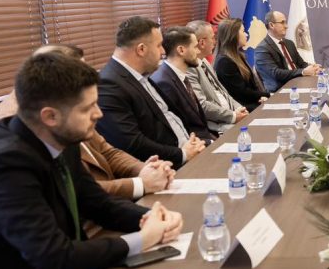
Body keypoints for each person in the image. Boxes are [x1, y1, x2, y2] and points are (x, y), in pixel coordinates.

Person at [0, 53, 183, 269]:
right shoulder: (2, 164)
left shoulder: (60, 138)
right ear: (50, 116)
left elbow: (98, 204)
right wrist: (142, 239)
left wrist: (149, 217)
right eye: (87, 108)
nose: (99, 114)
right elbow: (54, 259)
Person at [0, 44, 174, 200]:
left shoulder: (67, 108)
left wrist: (144, 170)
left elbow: (106, 151)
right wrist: (140, 184)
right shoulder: (17, 128)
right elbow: (72, 193)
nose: (98, 113)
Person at [96, 17, 205, 169]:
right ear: (141, 49)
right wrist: (182, 154)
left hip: (189, 151)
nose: (163, 51)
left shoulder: (142, 75)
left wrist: (190, 142)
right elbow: (131, 143)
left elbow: (169, 117)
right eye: (159, 45)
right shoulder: (109, 84)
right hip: (165, 167)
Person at [151, 26, 216, 141]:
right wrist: (209, 142)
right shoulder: (164, 83)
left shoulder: (180, 75)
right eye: (195, 47)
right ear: (181, 50)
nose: (198, 51)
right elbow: (182, 128)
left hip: (206, 137)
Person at [185, 20, 248, 133]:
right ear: (202, 43)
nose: (215, 41)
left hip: (232, 115)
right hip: (219, 125)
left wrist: (240, 109)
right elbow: (202, 105)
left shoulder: (204, 61)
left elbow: (223, 92)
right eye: (213, 38)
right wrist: (233, 116)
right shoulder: (189, 69)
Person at [255, 11, 321, 92]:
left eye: (285, 22)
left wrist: (313, 67)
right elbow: (275, 73)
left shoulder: (289, 43)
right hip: (280, 90)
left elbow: (301, 64)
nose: (286, 26)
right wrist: (303, 72)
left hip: (299, 83)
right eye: (282, 22)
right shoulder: (262, 49)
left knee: (320, 89)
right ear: (271, 25)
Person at [215, 17, 270, 112]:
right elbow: (241, 93)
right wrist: (267, 95)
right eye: (243, 31)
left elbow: (250, 87)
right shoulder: (224, 62)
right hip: (242, 108)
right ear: (233, 35)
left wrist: (262, 97)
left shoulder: (238, 55)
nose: (246, 34)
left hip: (252, 102)